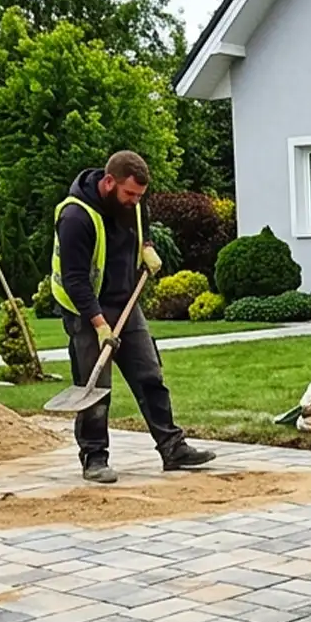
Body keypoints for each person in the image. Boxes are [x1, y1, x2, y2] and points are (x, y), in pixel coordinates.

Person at [49, 149, 215, 483]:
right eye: (129, 194)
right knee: (96, 387)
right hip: (86, 310)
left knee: (150, 375)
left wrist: (147, 245)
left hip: (126, 302)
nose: (135, 201)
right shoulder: (75, 217)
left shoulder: (133, 203)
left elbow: (142, 222)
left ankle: (173, 448)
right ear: (109, 182)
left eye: (140, 196)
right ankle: (94, 458)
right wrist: (98, 324)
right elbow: (76, 280)